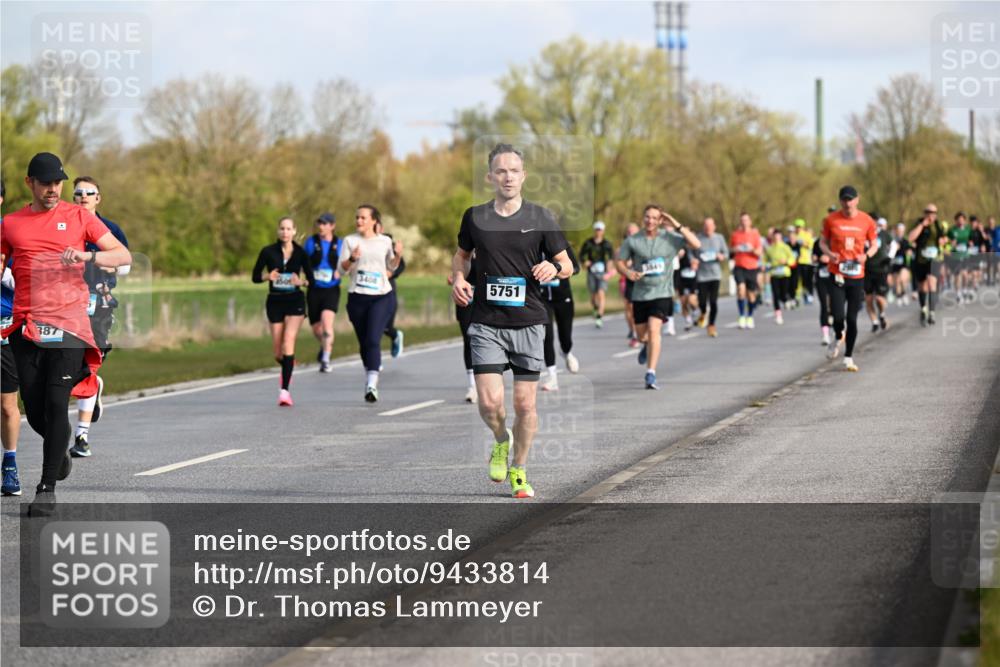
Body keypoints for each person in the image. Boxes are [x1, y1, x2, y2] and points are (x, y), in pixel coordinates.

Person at [1, 152, 131, 516]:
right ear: (30, 183)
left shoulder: (79, 216)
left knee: (57, 403)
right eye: (45, 183)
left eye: (58, 183)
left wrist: (87, 258)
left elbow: (122, 255)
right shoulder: (10, 223)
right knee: (37, 410)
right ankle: (58, 452)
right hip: (25, 327)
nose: (53, 189)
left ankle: (46, 489)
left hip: (69, 325)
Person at [450, 143, 571, 499]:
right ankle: (501, 440)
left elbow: (568, 264)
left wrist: (555, 267)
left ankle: (519, 469)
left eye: (513, 171)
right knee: (489, 404)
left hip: (529, 322)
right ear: (490, 177)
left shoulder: (541, 218)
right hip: (486, 321)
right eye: (500, 171)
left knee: (525, 405)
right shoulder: (474, 217)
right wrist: (459, 278)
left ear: (524, 176)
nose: (507, 176)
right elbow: (461, 257)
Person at [67, 176, 130, 458]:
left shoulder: (111, 229)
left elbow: (126, 264)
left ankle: (81, 436)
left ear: (98, 197)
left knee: (89, 366)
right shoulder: (64, 226)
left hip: (99, 303)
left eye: (88, 193)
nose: (83, 197)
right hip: (66, 303)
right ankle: (90, 397)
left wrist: (106, 264)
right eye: (78, 192)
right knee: (68, 365)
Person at [615, 205, 700, 390]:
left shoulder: (670, 239)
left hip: (662, 293)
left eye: (655, 218)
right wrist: (627, 272)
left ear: (661, 220)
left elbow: (696, 244)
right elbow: (619, 262)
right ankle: (645, 345)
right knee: (642, 335)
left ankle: (650, 373)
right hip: (640, 294)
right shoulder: (633, 241)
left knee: (655, 330)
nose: (650, 221)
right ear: (643, 218)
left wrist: (676, 224)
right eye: (647, 217)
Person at [340, 205, 403, 403]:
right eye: (357, 217)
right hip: (357, 297)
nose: (359, 221)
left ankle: (371, 384)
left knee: (374, 339)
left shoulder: (384, 241)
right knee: (364, 342)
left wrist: (398, 255)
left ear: (374, 221)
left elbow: (392, 265)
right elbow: (342, 270)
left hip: (381, 296)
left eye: (363, 218)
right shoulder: (350, 241)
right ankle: (371, 371)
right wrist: (352, 258)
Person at [252, 216, 313, 406]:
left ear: (294, 231)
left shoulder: (301, 253)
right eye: (282, 229)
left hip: (295, 300)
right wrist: (267, 276)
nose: (285, 232)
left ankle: (284, 392)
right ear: (278, 231)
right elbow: (254, 277)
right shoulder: (268, 252)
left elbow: (312, 280)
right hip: (275, 302)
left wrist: (300, 282)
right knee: (279, 353)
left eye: (288, 229)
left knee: (288, 342)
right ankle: (288, 363)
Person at [820, 185, 878, 371]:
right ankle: (838, 335)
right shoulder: (831, 220)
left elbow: (875, 244)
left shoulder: (866, 220)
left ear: (857, 200)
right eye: (844, 199)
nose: (848, 203)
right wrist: (829, 253)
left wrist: (866, 255)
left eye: (851, 199)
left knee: (851, 319)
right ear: (840, 201)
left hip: (856, 275)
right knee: (837, 317)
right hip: (837, 273)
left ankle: (848, 357)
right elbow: (822, 242)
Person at [0, 178, 22, 496]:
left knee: (6, 406)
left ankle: (10, 464)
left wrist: (4, 273)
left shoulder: (12, 233)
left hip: (4, 329)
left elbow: (27, 283)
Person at [303, 212, 342, 373]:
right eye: (319, 223)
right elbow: (302, 261)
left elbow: (349, 263)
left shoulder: (340, 244)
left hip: (331, 289)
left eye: (325, 224)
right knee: (316, 328)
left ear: (332, 226)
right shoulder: (311, 242)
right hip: (313, 289)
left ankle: (326, 359)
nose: (321, 227)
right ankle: (325, 345)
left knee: (327, 326)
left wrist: (341, 271)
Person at [540, 245, 581, 392]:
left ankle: (566, 352)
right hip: (542, 298)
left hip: (562, 297)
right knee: (547, 336)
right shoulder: (531, 245)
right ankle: (552, 377)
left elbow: (576, 268)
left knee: (565, 336)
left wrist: (556, 270)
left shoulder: (560, 245)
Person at [908, 203, 946, 326]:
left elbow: (944, 239)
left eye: (934, 213)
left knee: (932, 282)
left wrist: (943, 241)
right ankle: (924, 307)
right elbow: (910, 238)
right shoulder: (919, 223)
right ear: (925, 213)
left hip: (934, 259)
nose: (931, 215)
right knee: (922, 286)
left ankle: (932, 312)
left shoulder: (938, 225)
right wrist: (922, 225)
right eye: (928, 212)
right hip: (920, 259)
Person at [448, 253, 478, 403]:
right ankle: (472, 385)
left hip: (488, 302)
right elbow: (458, 272)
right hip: (466, 300)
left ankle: (490, 378)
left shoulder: (492, 249)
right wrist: (454, 279)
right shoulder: (464, 253)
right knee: (469, 339)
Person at [375, 218, 406, 359]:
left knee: (385, 326)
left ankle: (395, 336)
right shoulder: (362, 242)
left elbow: (401, 264)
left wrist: (391, 273)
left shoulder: (388, 243)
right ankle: (373, 361)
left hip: (387, 289)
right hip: (369, 290)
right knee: (372, 326)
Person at [695, 217, 728, 338]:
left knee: (713, 301)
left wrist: (721, 256)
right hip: (702, 275)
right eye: (706, 226)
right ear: (703, 227)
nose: (708, 228)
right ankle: (703, 312)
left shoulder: (719, 238)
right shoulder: (698, 238)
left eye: (710, 226)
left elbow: (726, 253)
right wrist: (693, 260)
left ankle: (711, 325)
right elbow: (690, 252)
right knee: (702, 301)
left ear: (714, 226)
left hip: (715, 275)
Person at [730, 212, 763, 329]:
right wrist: (736, 249)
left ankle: (750, 316)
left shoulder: (755, 234)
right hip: (739, 266)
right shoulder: (735, 235)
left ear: (750, 222)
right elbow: (731, 251)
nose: (744, 222)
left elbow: (759, 252)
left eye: (746, 220)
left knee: (751, 295)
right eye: (742, 220)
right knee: (740, 289)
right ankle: (741, 316)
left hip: (752, 267)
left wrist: (751, 249)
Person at [579, 221, 615, 328]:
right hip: (592, 272)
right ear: (594, 230)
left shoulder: (607, 244)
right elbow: (581, 255)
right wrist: (585, 262)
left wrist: (609, 267)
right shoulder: (588, 243)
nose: (598, 232)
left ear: (603, 231)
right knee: (594, 296)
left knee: (601, 293)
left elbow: (611, 258)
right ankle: (595, 308)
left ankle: (599, 318)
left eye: (600, 230)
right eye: (597, 229)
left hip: (602, 272)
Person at [863, 217, 893, 333]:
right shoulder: (862, 233)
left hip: (881, 269)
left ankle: (882, 314)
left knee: (879, 299)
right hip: (867, 270)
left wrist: (889, 257)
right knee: (869, 299)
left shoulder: (884, 234)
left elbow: (894, 245)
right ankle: (874, 322)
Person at [763, 228, 795, 325]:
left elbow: (792, 259)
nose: (776, 238)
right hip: (774, 273)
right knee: (775, 295)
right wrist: (766, 265)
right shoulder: (770, 248)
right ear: (772, 237)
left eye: (778, 236)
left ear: (781, 237)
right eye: (775, 236)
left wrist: (786, 262)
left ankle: (785, 300)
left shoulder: (785, 247)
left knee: (783, 293)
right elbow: (765, 260)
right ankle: (778, 315)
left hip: (785, 273)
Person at [619, 222, 641, 347]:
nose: (631, 234)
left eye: (633, 232)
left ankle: (642, 333)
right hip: (630, 279)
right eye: (629, 232)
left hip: (644, 281)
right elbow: (618, 263)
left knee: (640, 309)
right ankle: (633, 333)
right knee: (629, 307)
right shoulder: (624, 247)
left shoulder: (644, 244)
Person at [812, 236, 834, 346]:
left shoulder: (836, 240)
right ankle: (825, 335)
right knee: (824, 305)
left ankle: (836, 327)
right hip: (821, 276)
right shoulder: (817, 242)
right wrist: (817, 258)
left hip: (834, 276)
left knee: (834, 304)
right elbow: (813, 257)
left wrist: (830, 258)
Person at [947, 212, 973, 303]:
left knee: (965, 275)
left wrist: (971, 243)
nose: (960, 221)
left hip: (965, 255)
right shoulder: (952, 230)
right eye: (959, 219)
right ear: (956, 220)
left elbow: (972, 239)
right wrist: (950, 244)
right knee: (957, 275)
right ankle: (958, 294)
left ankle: (965, 290)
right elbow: (946, 242)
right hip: (955, 256)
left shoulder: (968, 229)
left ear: (965, 220)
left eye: (962, 219)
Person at [888, 223, 913, 306]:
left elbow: (910, 250)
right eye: (899, 231)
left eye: (902, 231)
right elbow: (888, 250)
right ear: (896, 231)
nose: (900, 233)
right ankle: (899, 296)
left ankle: (904, 293)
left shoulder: (905, 241)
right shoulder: (892, 241)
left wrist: (909, 251)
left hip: (903, 264)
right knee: (897, 281)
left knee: (902, 279)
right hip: (894, 264)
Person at [794, 219, 815, 303]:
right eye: (796, 227)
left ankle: (809, 294)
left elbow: (811, 246)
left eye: (799, 227)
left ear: (803, 227)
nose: (798, 228)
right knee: (797, 279)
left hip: (806, 261)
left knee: (807, 280)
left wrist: (802, 243)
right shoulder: (794, 235)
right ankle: (798, 295)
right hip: (797, 261)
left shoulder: (807, 235)